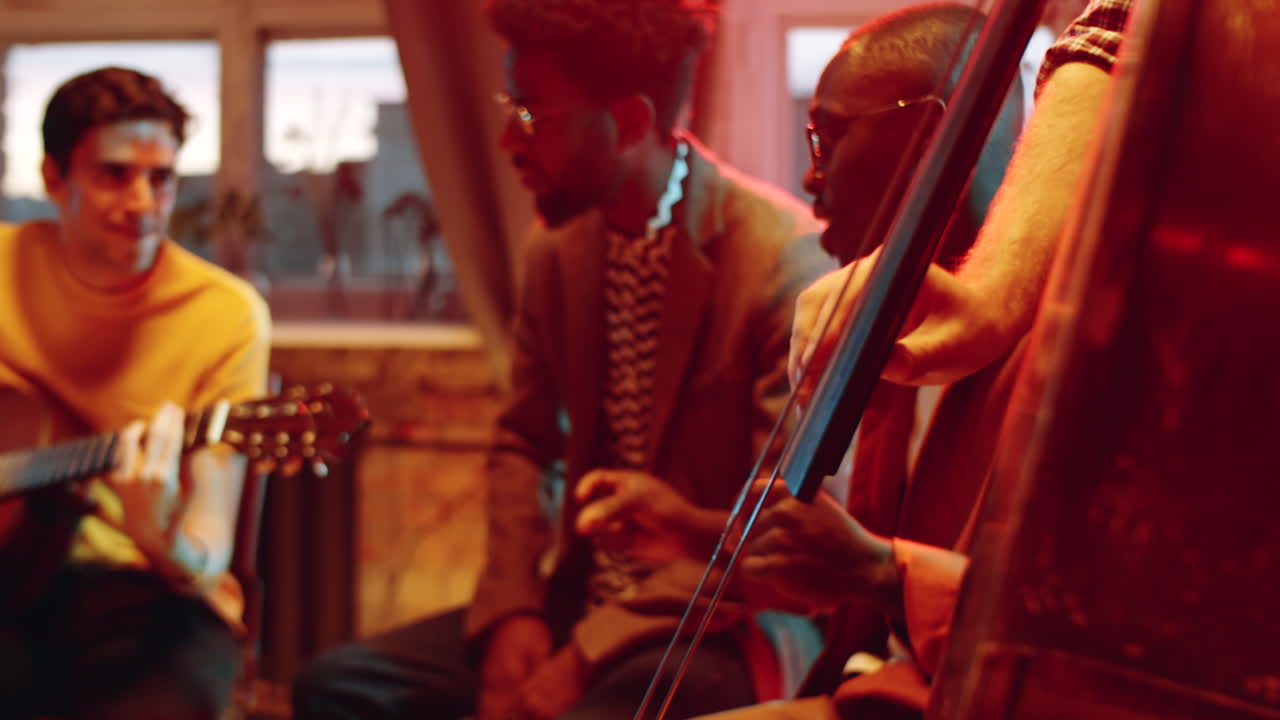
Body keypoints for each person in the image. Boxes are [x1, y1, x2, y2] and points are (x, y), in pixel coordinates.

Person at [291, 2, 832, 719]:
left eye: (533, 114)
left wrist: (584, 654)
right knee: (340, 687)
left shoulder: (777, 260)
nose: (506, 141)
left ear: (632, 122)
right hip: (578, 596)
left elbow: (777, 536)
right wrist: (513, 610)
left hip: (720, 614)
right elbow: (526, 440)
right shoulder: (559, 246)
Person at [692, 1, 1135, 718]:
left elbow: (1091, 647)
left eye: (825, 139)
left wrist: (877, 572)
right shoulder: (893, 325)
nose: (810, 182)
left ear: (930, 135)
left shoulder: (1073, 356)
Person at [0, 66, 271, 719]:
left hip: (155, 598)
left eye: (162, 179)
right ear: (53, 179)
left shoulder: (225, 315)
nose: (145, 203)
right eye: (114, 175)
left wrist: (164, 538)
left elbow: (209, 543)